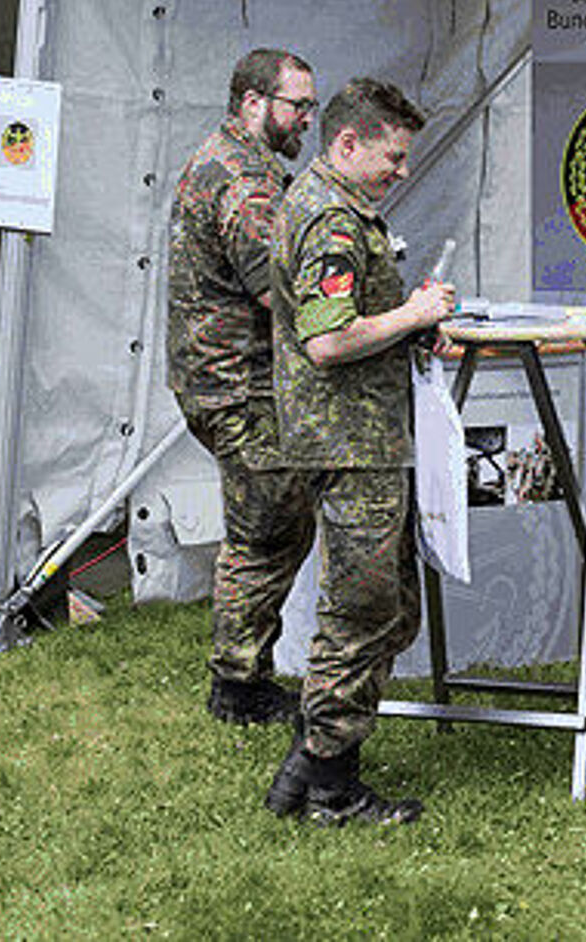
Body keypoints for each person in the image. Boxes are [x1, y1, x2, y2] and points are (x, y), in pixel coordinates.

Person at [261, 78, 455, 825]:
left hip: (359, 434)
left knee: (389, 607)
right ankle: (331, 787)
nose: (402, 171)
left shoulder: (331, 205)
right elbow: (328, 338)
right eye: (393, 156)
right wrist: (412, 311)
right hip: (351, 439)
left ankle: (305, 771)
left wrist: (408, 325)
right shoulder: (332, 222)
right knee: (364, 612)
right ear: (348, 144)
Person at [166, 48, 320, 726]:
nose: (307, 120)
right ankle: (239, 685)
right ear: (255, 102)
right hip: (238, 382)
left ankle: (243, 673)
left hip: (220, 376)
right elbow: (277, 292)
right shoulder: (246, 182)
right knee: (268, 530)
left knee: (268, 523)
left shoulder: (226, 158)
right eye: (298, 106)